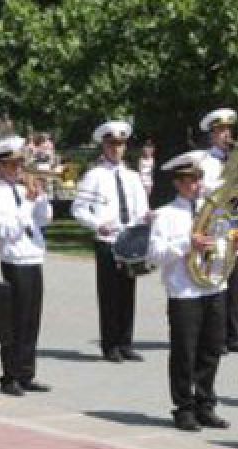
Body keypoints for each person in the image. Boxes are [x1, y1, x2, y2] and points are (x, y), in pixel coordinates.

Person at [147, 150, 235, 431]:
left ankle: (205, 404)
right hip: (184, 292)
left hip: (214, 287)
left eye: (198, 178)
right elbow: (155, 255)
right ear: (177, 183)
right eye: (188, 180)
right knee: (185, 352)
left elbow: (221, 246)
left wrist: (233, 245)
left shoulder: (215, 212)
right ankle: (183, 407)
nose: (195, 185)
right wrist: (188, 245)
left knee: (212, 349)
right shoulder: (166, 215)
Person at [71, 119, 152, 363]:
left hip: (130, 239)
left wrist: (146, 220)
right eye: (111, 144)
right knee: (110, 293)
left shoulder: (132, 176)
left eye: (120, 144)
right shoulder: (94, 176)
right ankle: (110, 344)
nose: (116, 149)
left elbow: (141, 208)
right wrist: (98, 224)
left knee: (128, 292)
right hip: (108, 239)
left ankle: (126, 341)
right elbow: (78, 208)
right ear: (103, 146)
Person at [0, 135, 53, 396]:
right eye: (13, 165)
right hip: (14, 258)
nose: (19, 170)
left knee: (31, 319)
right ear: (0, 166)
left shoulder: (23, 189)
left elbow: (44, 220)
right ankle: (9, 374)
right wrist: (26, 202)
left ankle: (26, 372)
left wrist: (40, 197)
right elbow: (6, 230)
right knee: (14, 318)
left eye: (20, 164)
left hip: (34, 255)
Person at [198, 107, 238, 354]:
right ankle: (217, 337)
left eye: (228, 130)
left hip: (236, 226)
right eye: (220, 130)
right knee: (217, 281)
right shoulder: (204, 162)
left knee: (236, 282)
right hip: (216, 226)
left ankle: (234, 335)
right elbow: (208, 193)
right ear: (212, 134)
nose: (226, 135)